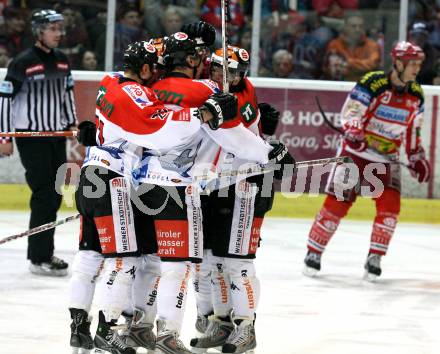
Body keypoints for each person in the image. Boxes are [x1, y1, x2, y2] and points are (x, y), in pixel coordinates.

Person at [69, 38, 238, 354]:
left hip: (92, 172)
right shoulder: (137, 92)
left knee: (89, 258)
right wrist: (203, 114)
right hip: (116, 178)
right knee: (125, 261)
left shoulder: (108, 82)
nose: (156, 75)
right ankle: (108, 331)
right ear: (144, 68)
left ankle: (79, 331)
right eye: (153, 68)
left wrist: (93, 129)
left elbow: (113, 122)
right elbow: (160, 127)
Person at [190, 45, 292, 354]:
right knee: (214, 261)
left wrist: (270, 151)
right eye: (219, 69)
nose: (224, 76)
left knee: (238, 263)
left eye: (231, 72)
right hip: (219, 187)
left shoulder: (240, 98)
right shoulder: (215, 93)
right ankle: (221, 323)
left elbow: (235, 136)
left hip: (247, 185)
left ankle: (246, 327)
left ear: (242, 75)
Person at [303, 41, 431, 281]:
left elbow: (413, 131)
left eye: (418, 64)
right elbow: (351, 113)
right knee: (337, 202)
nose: (416, 69)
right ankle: (314, 252)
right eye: (412, 64)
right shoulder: (373, 82)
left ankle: (375, 256)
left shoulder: (416, 94)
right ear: (398, 62)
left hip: (386, 160)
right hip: (355, 154)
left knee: (390, 207)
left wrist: (417, 158)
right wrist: (355, 133)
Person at [0, 9, 77, 276]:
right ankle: (39, 256)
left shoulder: (63, 61)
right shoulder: (22, 62)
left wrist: (72, 124)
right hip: (32, 138)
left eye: (60, 29)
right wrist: (4, 136)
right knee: (44, 194)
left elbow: (67, 96)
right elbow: (5, 100)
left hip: (56, 137)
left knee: (54, 192)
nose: (58, 33)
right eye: (53, 29)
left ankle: (43, 253)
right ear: (39, 32)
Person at [325, 12, 381, 81]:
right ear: (345, 27)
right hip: (340, 86)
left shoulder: (372, 45)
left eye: (360, 26)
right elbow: (334, 70)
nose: (357, 29)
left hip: (364, 86)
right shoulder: (335, 44)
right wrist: (362, 67)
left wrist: (348, 63)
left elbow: (373, 64)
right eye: (353, 26)